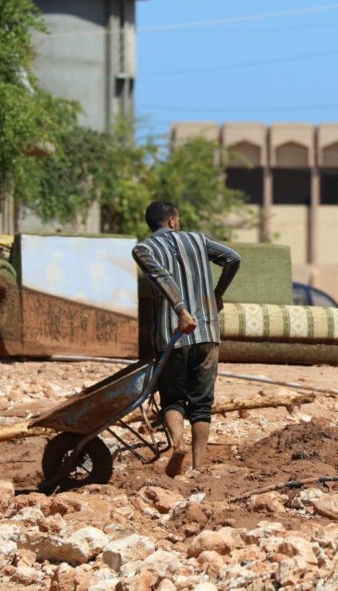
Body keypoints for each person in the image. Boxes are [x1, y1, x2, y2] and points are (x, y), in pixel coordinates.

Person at [132, 201, 240, 476]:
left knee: (172, 400)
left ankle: (178, 444)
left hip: (173, 337)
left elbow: (161, 276)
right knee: (203, 403)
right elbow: (233, 258)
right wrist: (218, 292)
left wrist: (180, 310)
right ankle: (197, 466)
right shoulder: (199, 240)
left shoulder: (143, 249)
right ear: (172, 220)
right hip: (207, 333)